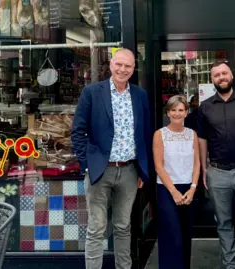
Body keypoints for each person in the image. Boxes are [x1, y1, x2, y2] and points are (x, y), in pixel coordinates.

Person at [71, 48, 151, 269]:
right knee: (96, 228)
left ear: (134, 69)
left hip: (129, 171)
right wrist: (87, 164)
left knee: (123, 226)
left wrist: (143, 168)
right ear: (111, 64)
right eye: (119, 64)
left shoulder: (140, 95)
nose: (122, 69)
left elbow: (144, 133)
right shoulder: (92, 92)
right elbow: (78, 131)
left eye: (128, 66)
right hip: (100, 170)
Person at [197, 60, 235, 268]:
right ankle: (230, 264)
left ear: (231, 76)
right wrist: (204, 169)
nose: (221, 77)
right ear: (212, 80)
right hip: (217, 172)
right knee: (223, 222)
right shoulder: (205, 107)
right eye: (216, 75)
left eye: (224, 73)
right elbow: (202, 139)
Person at [153, 95, 200, 269]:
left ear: (187, 112)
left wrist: (193, 188)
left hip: (188, 188)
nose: (177, 113)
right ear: (168, 112)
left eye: (181, 110)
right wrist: (173, 192)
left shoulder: (192, 134)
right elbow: (159, 166)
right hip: (167, 189)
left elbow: (197, 163)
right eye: (173, 110)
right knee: (171, 234)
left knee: (185, 234)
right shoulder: (160, 134)